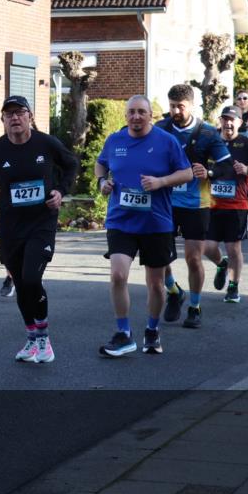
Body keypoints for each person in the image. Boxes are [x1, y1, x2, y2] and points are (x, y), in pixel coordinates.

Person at [0, 95, 77, 363]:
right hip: (10, 227)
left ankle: (44, 340)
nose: (15, 118)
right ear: (3, 120)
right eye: (9, 114)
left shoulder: (46, 143)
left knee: (31, 278)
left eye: (20, 112)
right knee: (20, 283)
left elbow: (71, 165)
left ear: (30, 116)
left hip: (41, 223)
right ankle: (32, 339)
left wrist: (60, 191)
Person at [95, 96, 193, 356]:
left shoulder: (166, 141)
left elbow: (187, 173)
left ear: (151, 115)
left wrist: (160, 182)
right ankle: (123, 333)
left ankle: (152, 329)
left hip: (156, 222)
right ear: (125, 116)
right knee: (118, 275)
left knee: (156, 284)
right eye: (131, 112)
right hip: (121, 220)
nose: (136, 117)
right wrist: (102, 182)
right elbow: (100, 164)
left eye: (141, 112)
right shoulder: (115, 140)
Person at [155, 84, 233, 329]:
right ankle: (174, 291)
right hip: (165, 201)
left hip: (195, 203)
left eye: (181, 106)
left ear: (191, 105)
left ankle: (195, 306)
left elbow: (227, 166)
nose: (176, 111)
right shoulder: (160, 129)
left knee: (193, 258)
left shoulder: (208, 133)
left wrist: (208, 171)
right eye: (172, 106)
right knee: (159, 256)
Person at [203, 106, 248, 303]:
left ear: (240, 123)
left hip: (236, 205)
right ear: (220, 121)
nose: (228, 123)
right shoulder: (211, 142)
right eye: (225, 119)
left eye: (233, 120)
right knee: (207, 247)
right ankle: (221, 265)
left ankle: (233, 285)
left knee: (233, 249)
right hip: (211, 203)